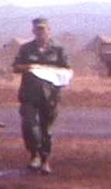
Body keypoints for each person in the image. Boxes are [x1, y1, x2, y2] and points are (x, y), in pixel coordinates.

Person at [11, 17, 72, 174]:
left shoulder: (58, 49)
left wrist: (57, 75)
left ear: (49, 30)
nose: (40, 32)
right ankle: (34, 155)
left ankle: (45, 160)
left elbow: (67, 70)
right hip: (29, 94)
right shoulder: (26, 49)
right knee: (29, 125)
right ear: (33, 31)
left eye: (43, 29)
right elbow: (15, 67)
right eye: (37, 29)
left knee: (47, 129)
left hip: (50, 96)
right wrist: (28, 67)